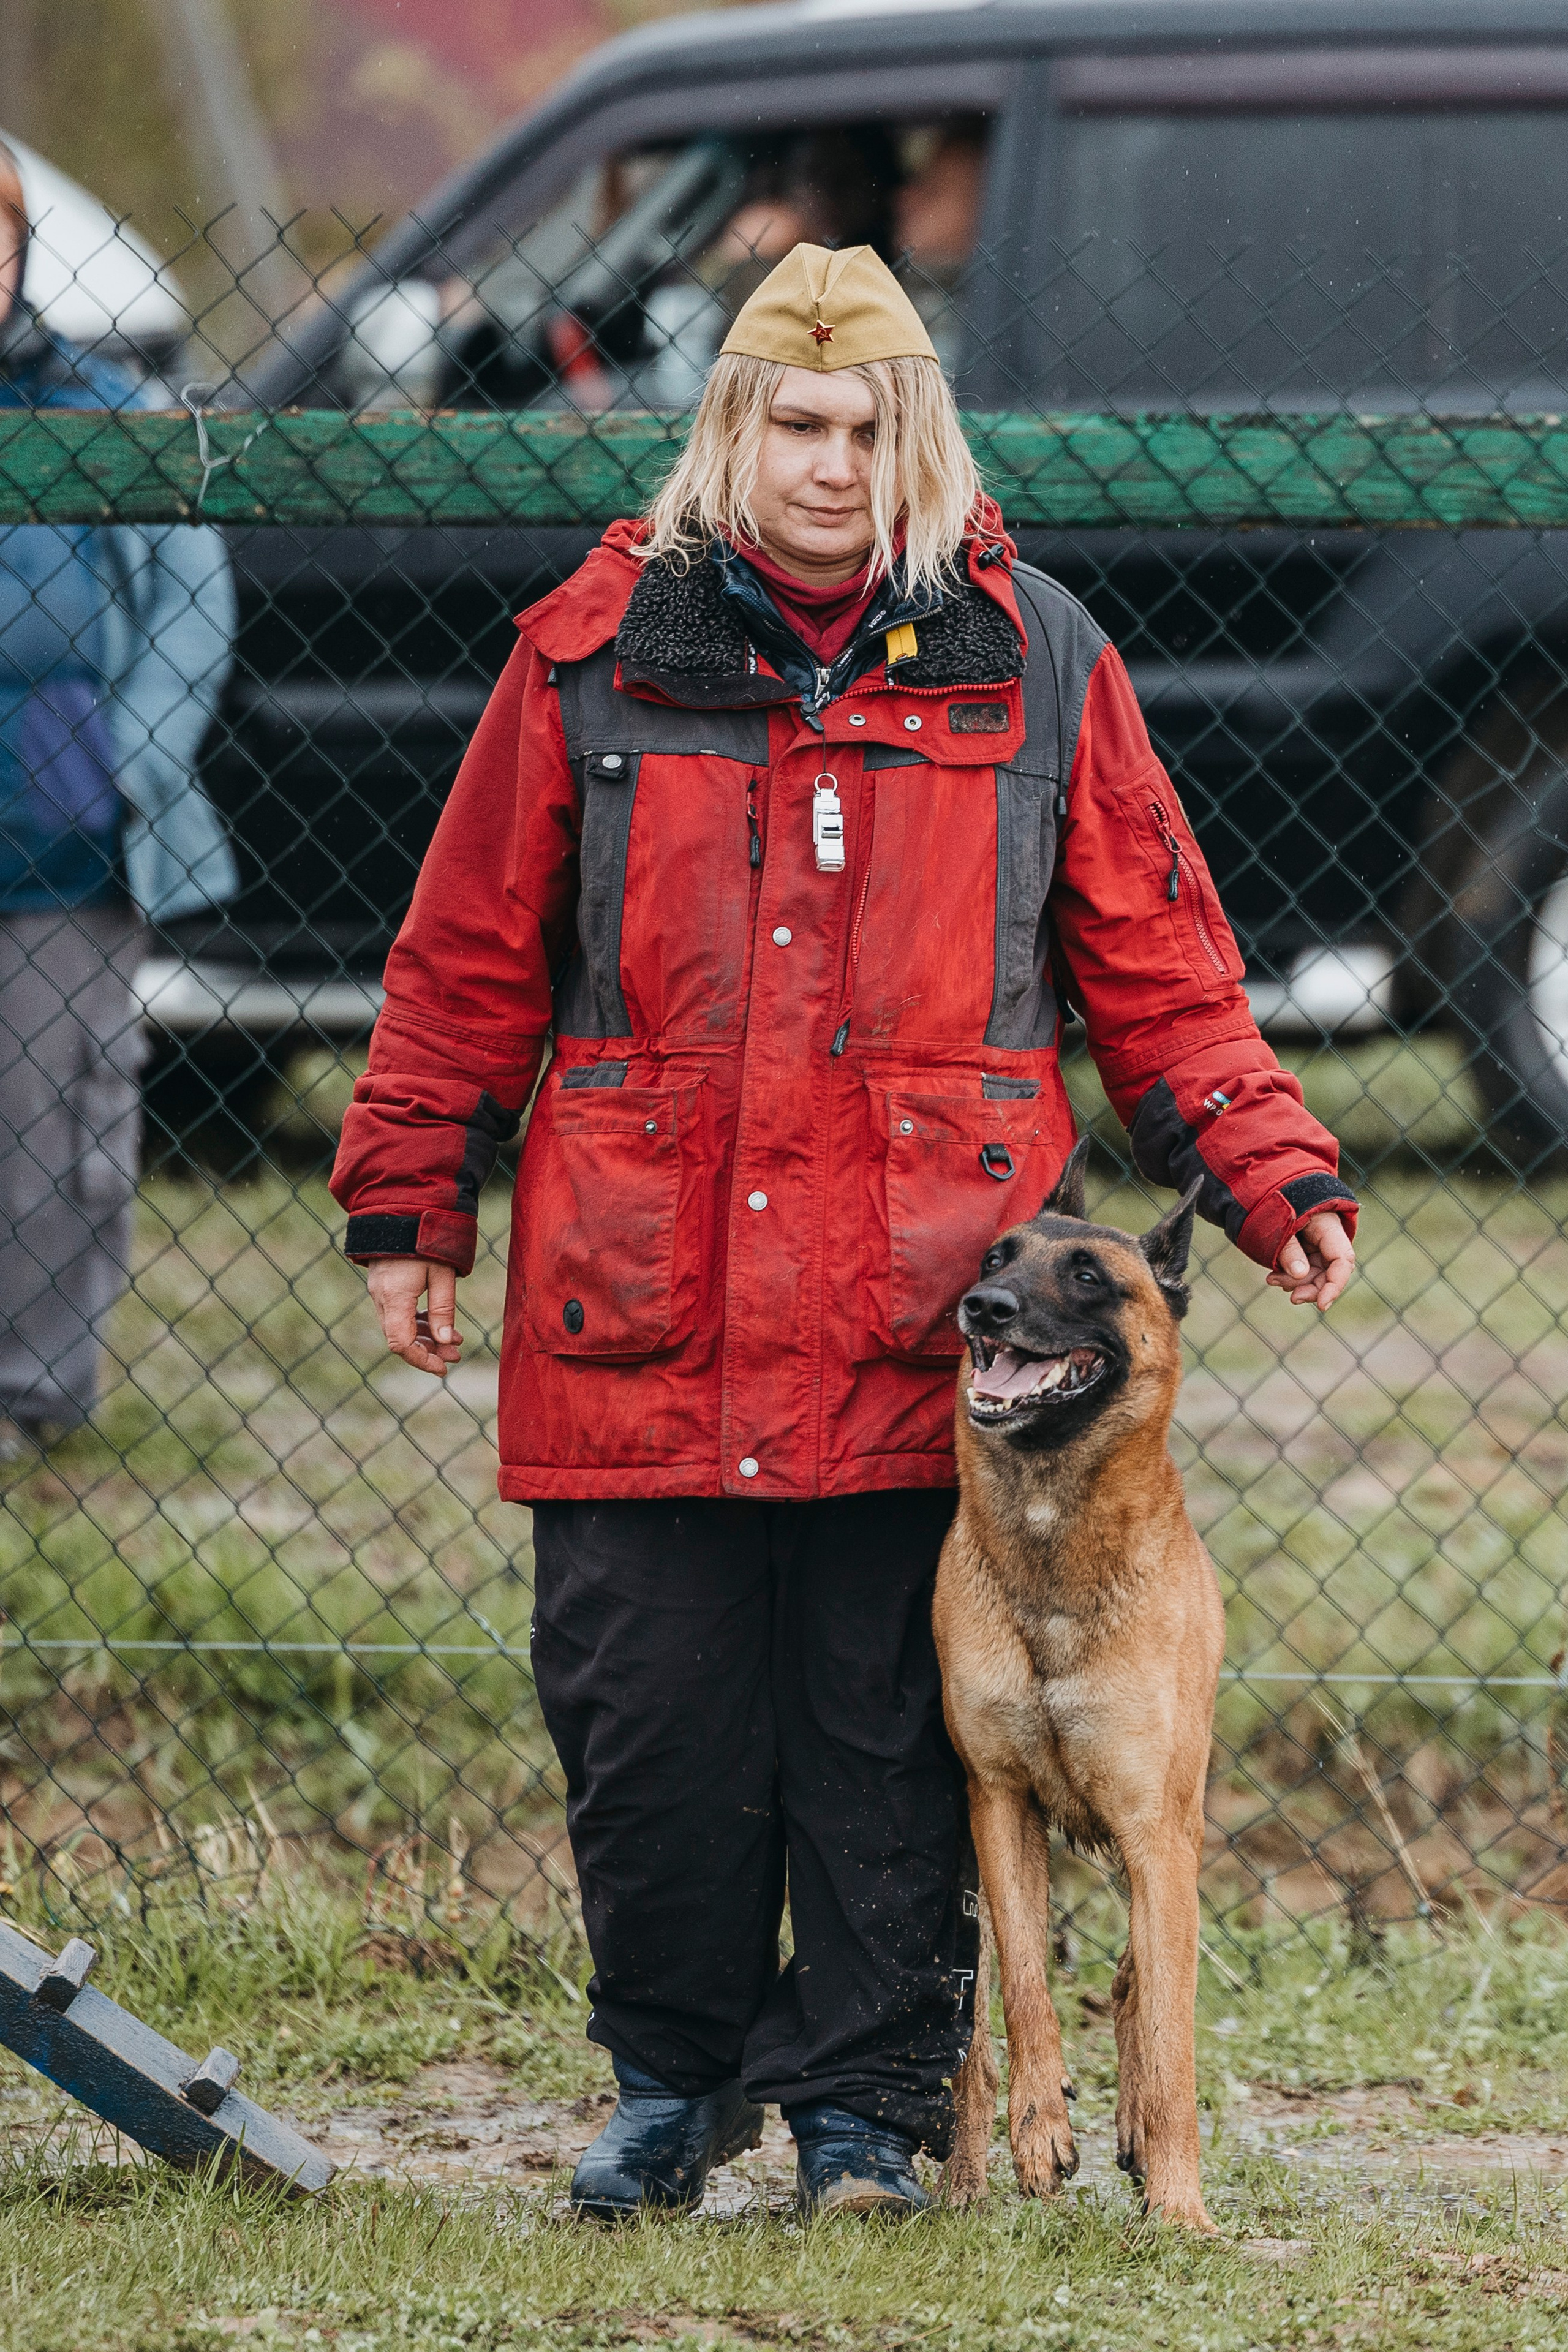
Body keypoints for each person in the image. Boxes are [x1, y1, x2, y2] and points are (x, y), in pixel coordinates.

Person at [331, 243, 1357, 2217]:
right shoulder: (590, 654)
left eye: (868, 428)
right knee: (648, 1721)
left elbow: (1161, 961)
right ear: (731, 431)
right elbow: (463, 956)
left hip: (924, 1313)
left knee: (885, 1735)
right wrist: (408, 1197)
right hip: (638, 1306)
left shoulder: (1038, 659)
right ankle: (673, 2085)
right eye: (794, 424)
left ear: (922, 441)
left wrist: (1268, 1163)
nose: (829, 464)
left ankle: (869, 2115)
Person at [0, 143, 237, 1457]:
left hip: (64, 843)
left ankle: (28, 1390)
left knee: (52, 1120)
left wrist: (126, 757)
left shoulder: (103, 413)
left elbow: (193, 601)